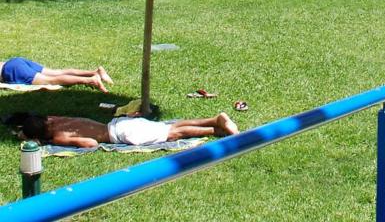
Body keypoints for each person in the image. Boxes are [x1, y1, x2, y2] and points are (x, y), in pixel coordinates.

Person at [6, 111, 238, 148]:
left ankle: (215, 126)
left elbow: (92, 144)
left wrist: (46, 142)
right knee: (170, 126)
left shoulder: (58, 136)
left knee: (173, 133)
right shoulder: (57, 121)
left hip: (119, 134)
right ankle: (215, 122)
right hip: (118, 123)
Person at [1, 57, 113, 92]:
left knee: (51, 81)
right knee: (57, 72)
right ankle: (95, 72)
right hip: (15, 61)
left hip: (11, 70)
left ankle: (90, 80)